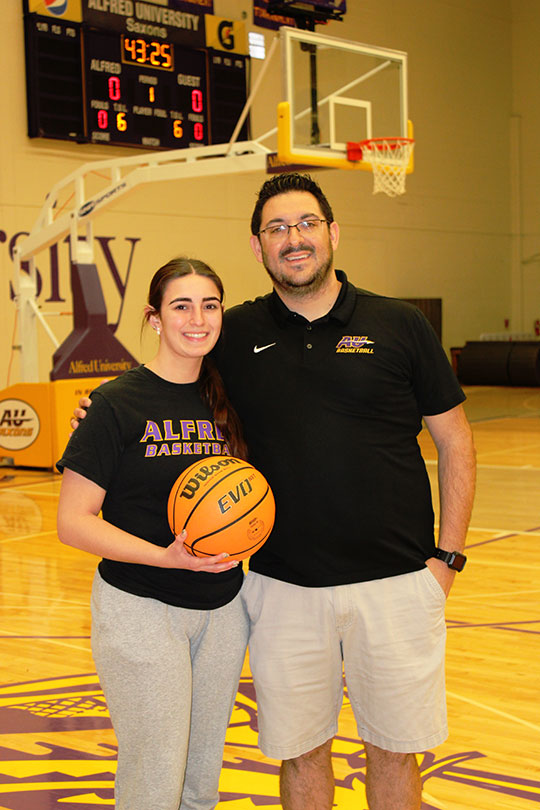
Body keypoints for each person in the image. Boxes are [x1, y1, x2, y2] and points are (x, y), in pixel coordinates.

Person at [72, 174, 476, 810]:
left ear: (333, 233)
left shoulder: (400, 325)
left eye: (307, 224)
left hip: (398, 583)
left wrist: (446, 560)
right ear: (258, 247)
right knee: (301, 751)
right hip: (283, 589)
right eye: (277, 229)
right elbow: (164, 379)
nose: (294, 239)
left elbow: (456, 443)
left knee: (396, 752)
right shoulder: (231, 333)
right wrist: (98, 407)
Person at [57, 257, 249, 810]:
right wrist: (168, 559)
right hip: (141, 606)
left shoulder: (232, 399)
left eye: (209, 305)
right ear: (155, 318)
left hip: (222, 609)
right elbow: (73, 522)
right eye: (181, 306)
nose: (197, 318)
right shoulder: (116, 403)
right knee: (154, 773)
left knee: (200, 776)